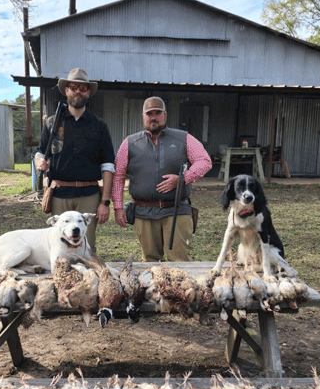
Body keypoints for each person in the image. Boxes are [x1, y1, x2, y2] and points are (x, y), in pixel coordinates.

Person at [112, 96, 212, 262]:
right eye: (149, 113)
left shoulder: (184, 138)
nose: (153, 117)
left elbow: (204, 161)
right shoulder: (129, 143)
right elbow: (118, 176)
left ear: (165, 115)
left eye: (158, 113)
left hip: (177, 211)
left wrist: (183, 178)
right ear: (143, 116)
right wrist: (117, 207)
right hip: (143, 213)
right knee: (150, 263)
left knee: (180, 262)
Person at [35, 68, 115, 252]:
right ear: (67, 90)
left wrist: (104, 202)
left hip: (89, 196)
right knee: (59, 245)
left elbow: (108, 166)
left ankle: (87, 279)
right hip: (60, 196)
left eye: (83, 88)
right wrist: (39, 161)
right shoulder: (52, 123)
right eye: (74, 87)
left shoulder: (99, 126)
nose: (78, 91)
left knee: (87, 247)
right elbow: (41, 152)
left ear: (88, 92)